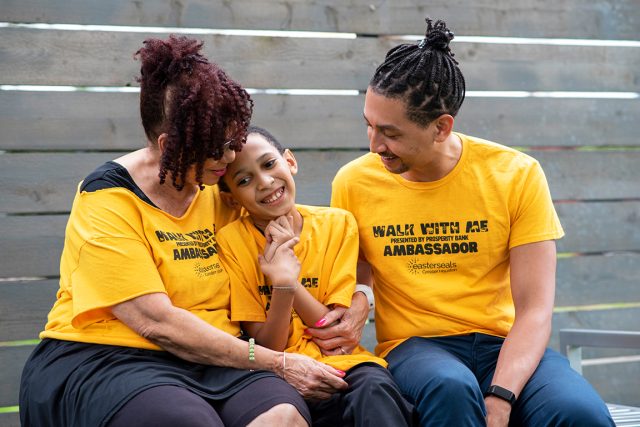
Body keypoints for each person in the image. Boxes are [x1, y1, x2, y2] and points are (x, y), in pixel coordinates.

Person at [19, 35, 349, 427]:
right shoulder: (107, 199)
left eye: (232, 142)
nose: (229, 158)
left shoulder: (220, 187)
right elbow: (156, 322)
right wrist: (277, 362)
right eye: (214, 149)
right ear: (168, 144)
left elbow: (299, 222)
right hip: (111, 357)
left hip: (215, 357)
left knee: (285, 416)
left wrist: (360, 294)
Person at [305, 18, 615, 427]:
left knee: (581, 414)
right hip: (414, 348)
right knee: (450, 387)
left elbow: (536, 310)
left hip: (504, 345)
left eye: (390, 133)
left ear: (441, 127)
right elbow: (360, 272)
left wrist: (501, 399)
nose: (375, 144)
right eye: (369, 125)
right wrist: (360, 299)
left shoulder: (516, 174)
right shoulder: (354, 181)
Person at [215, 126, 415, 427]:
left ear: (290, 161)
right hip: (279, 371)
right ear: (232, 200)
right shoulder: (232, 241)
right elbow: (268, 346)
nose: (265, 182)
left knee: (376, 389)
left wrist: (290, 281)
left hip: (345, 362)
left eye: (269, 164)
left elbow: (332, 328)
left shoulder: (338, 224)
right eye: (244, 180)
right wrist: (281, 287)